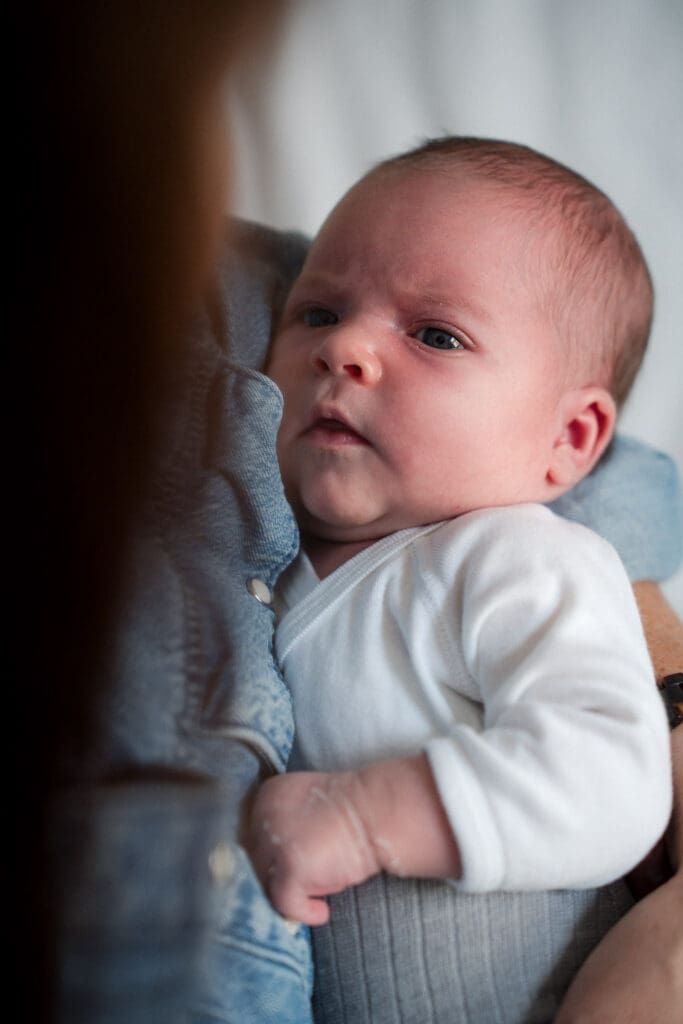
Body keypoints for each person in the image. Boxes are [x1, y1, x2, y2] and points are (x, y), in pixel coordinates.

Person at [248, 137, 678, 1021]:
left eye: (435, 334)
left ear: (568, 440)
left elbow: (611, 778)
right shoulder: (262, 568)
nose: (347, 351)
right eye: (319, 313)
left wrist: (367, 817)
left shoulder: (511, 558)